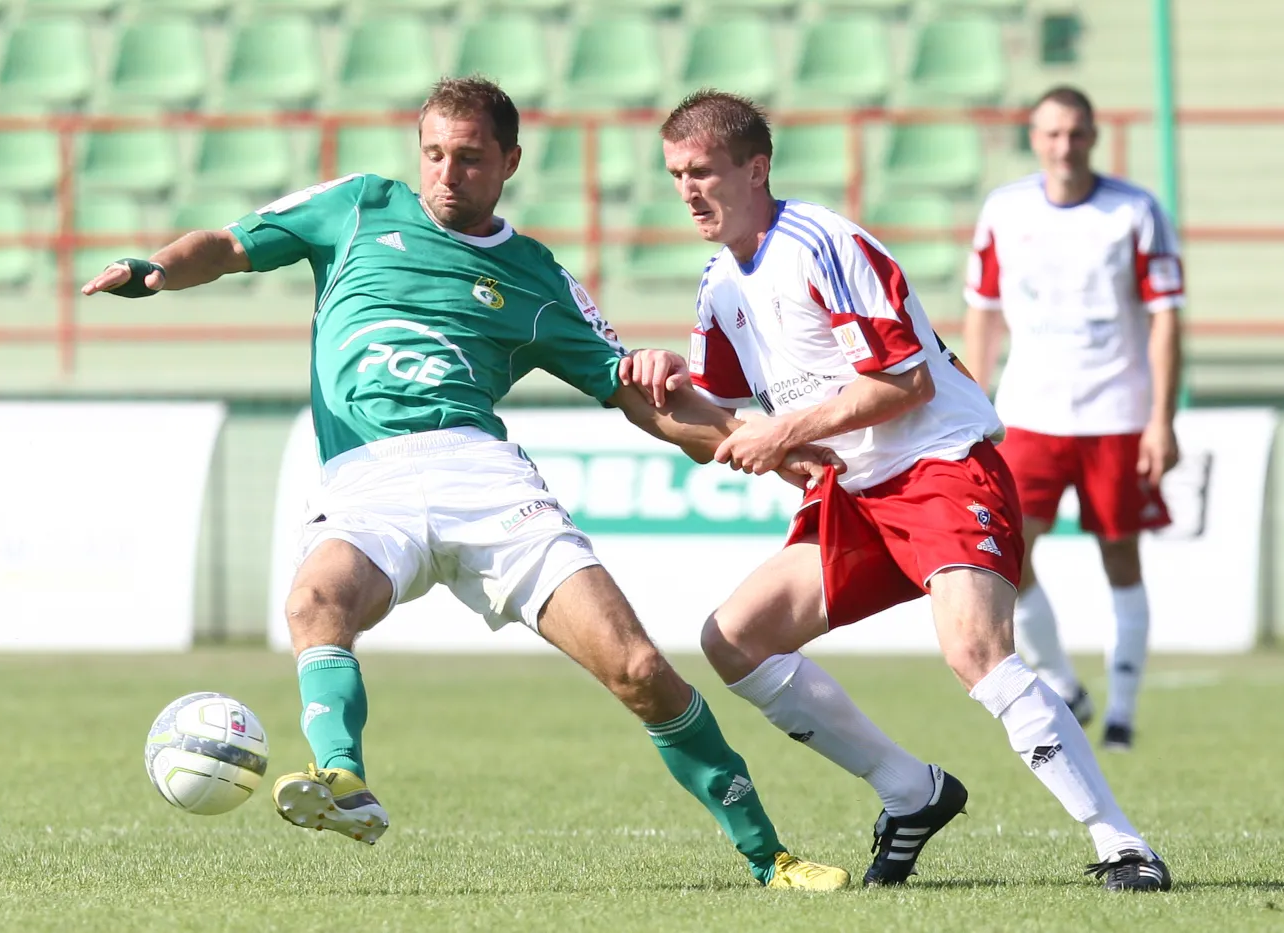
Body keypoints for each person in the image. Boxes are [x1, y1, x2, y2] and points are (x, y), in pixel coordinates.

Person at [80, 77, 850, 891]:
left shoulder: (534, 276)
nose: (448, 174)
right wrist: (157, 269)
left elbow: (634, 395)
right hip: (366, 478)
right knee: (315, 603)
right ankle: (340, 778)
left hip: (481, 476)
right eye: (435, 155)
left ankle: (774, 858)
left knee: (637, 669)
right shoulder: (356, 207)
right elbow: (230, 244)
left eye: (471, 158)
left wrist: (750, 440)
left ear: (510, 161)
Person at [618, 89, 1171, 892]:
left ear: (756, 167)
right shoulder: (719, 283)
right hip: (857, 489)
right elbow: (725, 416)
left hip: (941, 463)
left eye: (703, 171)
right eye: (676, 175)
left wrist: (785, 431)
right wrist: (665, 379)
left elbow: (905, 381)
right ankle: (912, 792)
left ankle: (1124, 843)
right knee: (734, 639)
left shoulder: (823, 243)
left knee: (976, 652)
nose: (688, 190)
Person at [961, 86, 1185, 751]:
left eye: (1077, 134)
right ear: (1034, 138)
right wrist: (976, 400)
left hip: (1116, 413)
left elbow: (1166, 316)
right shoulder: (1004, 210)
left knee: (1121, 554)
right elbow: (983, 308)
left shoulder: (1135, 211)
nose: (1065, 146)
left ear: (1094, 137)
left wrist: (1160, 418)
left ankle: (1121, 712)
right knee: (1010, 551)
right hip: (1029, 413)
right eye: (1053, 133)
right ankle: (1064, 681)